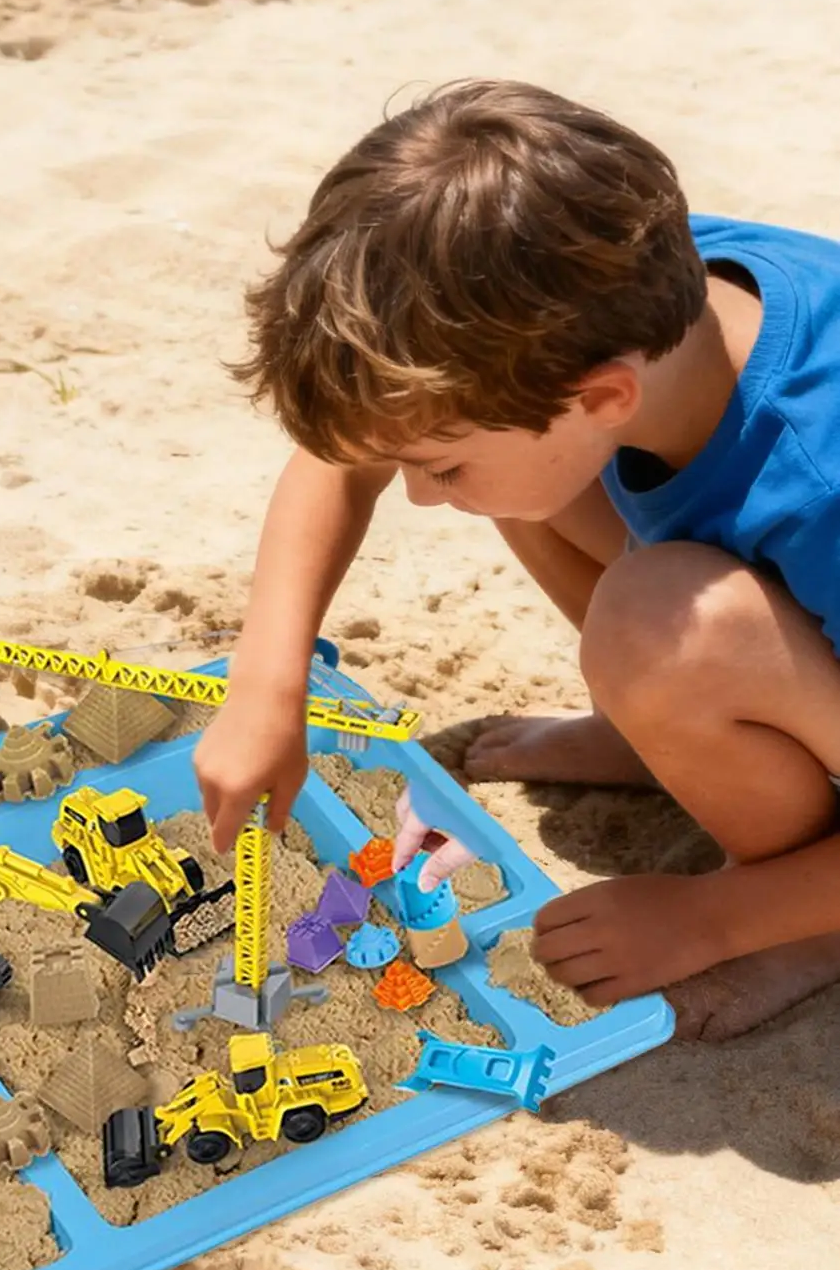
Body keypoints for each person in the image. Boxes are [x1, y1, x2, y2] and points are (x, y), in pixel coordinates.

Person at [194, 79, 840, 1040]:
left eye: (438, 464)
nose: (417, 492)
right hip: (780, 593)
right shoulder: (592, 293)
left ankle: (805, 914)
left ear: (605, 397)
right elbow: (348, 454)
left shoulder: (819, 476)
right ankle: (664, 732)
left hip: (785, 580)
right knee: (520, 480)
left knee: (663, 623)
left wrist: (713, 917)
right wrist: (266, 682)